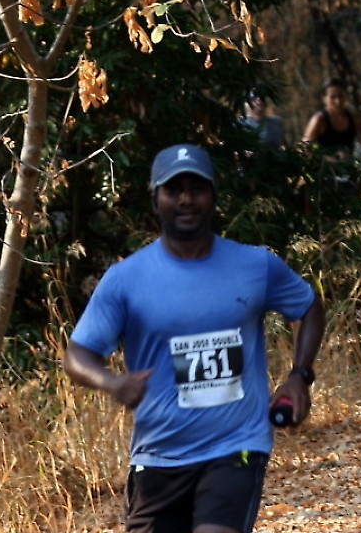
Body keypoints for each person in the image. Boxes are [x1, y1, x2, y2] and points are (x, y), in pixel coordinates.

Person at [64, 143, 326, 533]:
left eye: (197, 188)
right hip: (157, 457)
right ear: (155, 200)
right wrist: (112, 382)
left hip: (236, 447)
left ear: (214, 196)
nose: (186, 199)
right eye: (174, 190)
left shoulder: (255, 264)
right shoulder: (126, 279)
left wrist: (299, 376)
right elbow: (77, 355)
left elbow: (308, 306)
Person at [302, 77, 361, 158]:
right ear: (324, 99)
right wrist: (328, 158)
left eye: (341, 96)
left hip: (349, 163)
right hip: (324, 164)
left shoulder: (355, 118)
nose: (338, 101)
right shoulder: (319, 120)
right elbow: (304, 148)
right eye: (333, 97)